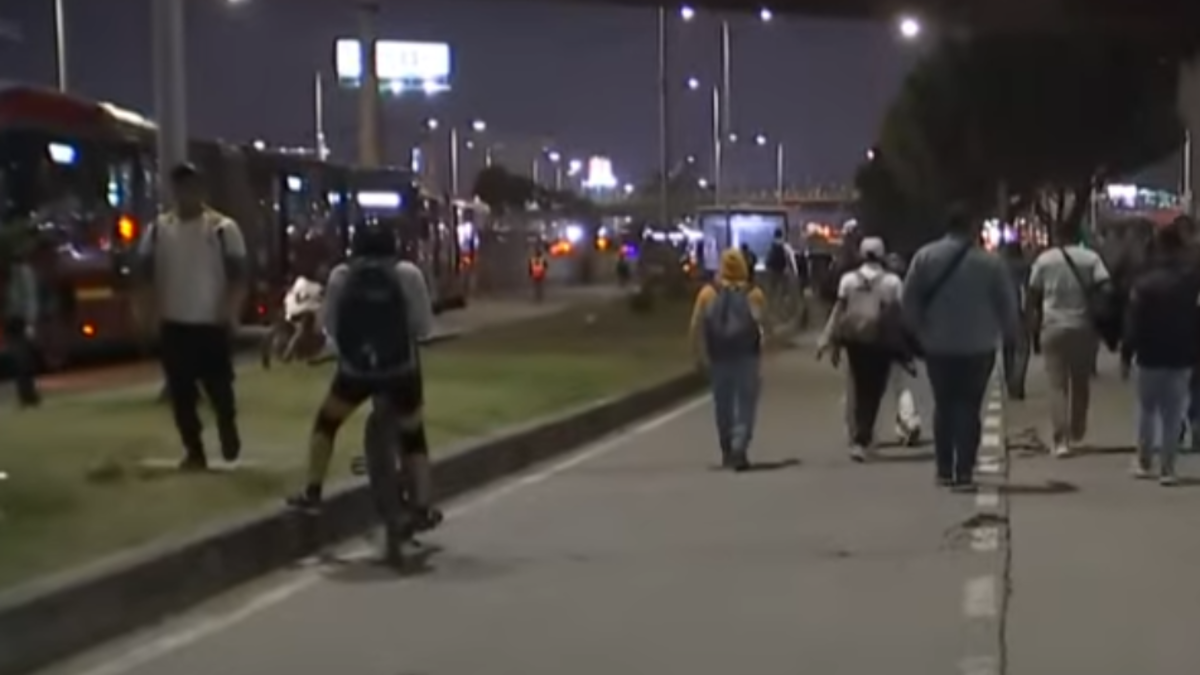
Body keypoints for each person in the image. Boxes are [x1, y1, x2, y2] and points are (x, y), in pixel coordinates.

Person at [287, 224, 442, 535]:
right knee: (413, 435)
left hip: (355, 372)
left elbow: (331, 327)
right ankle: (422, 507)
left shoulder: (341, 276)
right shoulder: (408, 274)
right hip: (400, 371)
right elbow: (423, 328)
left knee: (327, 422)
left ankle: (313, 492)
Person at [136, 163, 247, 470]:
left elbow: (238, 277)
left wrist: (230, 312)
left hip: (211, 324)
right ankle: (194, 451)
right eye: (180, 187)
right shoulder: (157, 231)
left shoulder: (223, 229)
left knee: (219, 389)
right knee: (182, 395)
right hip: (174, 324)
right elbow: (144, 276)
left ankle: (227, 428)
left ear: (201, 190)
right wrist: (146, 314)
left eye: (191, 187)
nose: (185, 194)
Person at [903, 211, 1018, 491]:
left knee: (944, 404)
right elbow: (1007, 305)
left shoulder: (925, 257)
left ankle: (944, 469)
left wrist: (917, 333)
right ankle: (964, 469)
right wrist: (1010, 337)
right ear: (972, 227)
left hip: (938, 345)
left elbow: (909, 300)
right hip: (979, 345)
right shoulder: (991, 263)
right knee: (969, 405)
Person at [1120, 222, 1200, 486]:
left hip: (1149, 354)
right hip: (1182, 353)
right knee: (1173, 413)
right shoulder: (1191, 281)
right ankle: (1168, 467)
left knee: (1147, 408)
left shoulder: (1144, 282)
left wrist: (1126, 353)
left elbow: (1133, 322)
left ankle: (1144, 460)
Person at [1026, 220, 1114, 458]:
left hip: (1052, 326)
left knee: (1057, 385)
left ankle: (1060, 440)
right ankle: (1077, 428)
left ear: (1057, 236)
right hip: (1083, 327)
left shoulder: (1044, 260)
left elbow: (1032, 294)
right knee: (1081, 382)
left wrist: (1031, 324)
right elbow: (1106, 287)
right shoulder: (1091, 258)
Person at [818, 237, 907, 462]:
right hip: (880, 341)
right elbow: (900, 315)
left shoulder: (848, 280)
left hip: (855, 341)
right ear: (882, 255)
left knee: (858, 386)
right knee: (875, 390)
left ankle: (859, 435)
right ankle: (863, 437)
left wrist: (828, 339)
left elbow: (839, 311)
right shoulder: (892, 282)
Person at [689, 248, 766, 471]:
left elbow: (696, 325)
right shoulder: (753, 294)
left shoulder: (708, 293)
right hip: (747, 356)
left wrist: (697, 354)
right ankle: (740, 447)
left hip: (719, 356)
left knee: (722, 403)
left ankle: (726, 447)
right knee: (745, 403)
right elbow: (762, 324)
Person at [884, 251, 922, 445]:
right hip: (896, 344)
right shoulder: (903, 288)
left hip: (870, 342)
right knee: (901, 387)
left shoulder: (873, 283)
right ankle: (909, 422)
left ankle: (862, 431)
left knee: (867, 391)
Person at [1, 245, 41, 407]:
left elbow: (30, 298)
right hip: (11, 318)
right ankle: (25, 394)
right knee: (19, 359)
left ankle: (28, 394)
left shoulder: (22, 272)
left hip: (20, 318)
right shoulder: (11, 274)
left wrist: (30, 321)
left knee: (23, 359)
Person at [1000, 241, 1032, 400]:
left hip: (1003, 311)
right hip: (1021, 311)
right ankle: (1017, 381)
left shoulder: (1000, 268)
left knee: (1008, 348)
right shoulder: (1025, 267)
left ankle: (1009, 380)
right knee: (1023, 349)